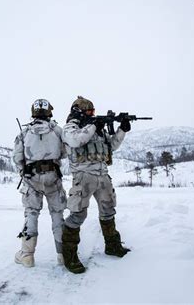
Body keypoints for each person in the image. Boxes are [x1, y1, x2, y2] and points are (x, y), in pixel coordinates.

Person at [61, 96, 131, 274]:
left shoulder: (96, 129)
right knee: (77, 215)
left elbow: (111, 146)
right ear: (79, 112)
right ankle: (69, 256)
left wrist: (122, 129)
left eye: (93, 111)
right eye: (89, 111)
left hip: (102, 175)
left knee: (108, 211)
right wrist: (94, 125)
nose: (92, 114)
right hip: (83, 176)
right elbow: (77, 141)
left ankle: (112, 246)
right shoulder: (70, 128)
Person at [12, 99, 67, 267]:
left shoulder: (24, 133)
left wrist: (24, 171)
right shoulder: (57, 130)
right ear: (49, 112)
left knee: (31, 213)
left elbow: (16, 158)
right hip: (53, 178)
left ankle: (27, 256)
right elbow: (64, 153)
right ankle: (63, 255)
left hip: (31, 179)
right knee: (57, 215)